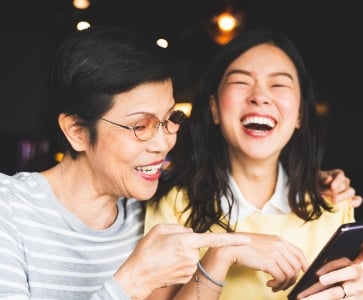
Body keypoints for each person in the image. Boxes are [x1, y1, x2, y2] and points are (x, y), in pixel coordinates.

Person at [0, 25, 257, 299]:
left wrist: (222, 255)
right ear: (77, 131)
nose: (163, 144)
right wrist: (133, 279)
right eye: (140, 126)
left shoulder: (157, 212)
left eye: (171, 119)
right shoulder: (9, 208)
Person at [145, 29, 363, 300]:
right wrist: (222, 255)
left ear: (300, 113)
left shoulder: (333, 205)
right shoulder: (174, 206)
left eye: (279, 85)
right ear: (215, 109)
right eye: (241, 82)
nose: (260, 96)